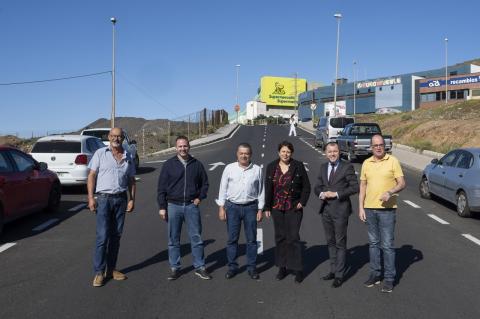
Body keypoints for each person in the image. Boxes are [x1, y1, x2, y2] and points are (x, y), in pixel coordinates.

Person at [157, 135, 211, 281]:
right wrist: (162, 207)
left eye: (185, 146)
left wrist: (200, 197)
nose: (183, 148)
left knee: (196, 238)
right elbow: (161, 187)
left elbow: (205, 184)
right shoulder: (169, 164)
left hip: (191, 206)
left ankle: (200, 267)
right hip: (173, 206)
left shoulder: (197, 164)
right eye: (180, 146)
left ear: (189, 147)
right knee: (173, 239)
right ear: (176, 148)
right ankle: (175, 268)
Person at [87, 127, 136, 287]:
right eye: (113, 136)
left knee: (116, 236)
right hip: (103, 199)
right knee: (102, 237)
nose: (116, 139)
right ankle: (99, 272)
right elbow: (92, 175)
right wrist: (90, 198)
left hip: (121, 199)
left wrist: (131, 199)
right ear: (109, 137)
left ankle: (111, 269)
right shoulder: (100, 154)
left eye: (119, 136)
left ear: (123, 138)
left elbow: (131, 179)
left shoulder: (128, 156)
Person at [359, 134, 406, 293]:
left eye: (381, 144)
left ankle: (389, 278)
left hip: (387, 210)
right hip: (370, 209)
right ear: (371, 147)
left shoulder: (393, 161)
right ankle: (375, 274)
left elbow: (402, 183)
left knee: (387, 245)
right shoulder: (366, 163)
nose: (378, 147)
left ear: (385, 145)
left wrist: (390, 192)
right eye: (375, 145)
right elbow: (363, 187)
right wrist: (361, 207)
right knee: (373, 244)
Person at [264, 141, 311, 283]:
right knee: (280, 237)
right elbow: (268, 188)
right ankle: (282, 267)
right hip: (277, 207)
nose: (285, 154)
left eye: (288, 152)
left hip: (293, 207)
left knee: (293, 238)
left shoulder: (298, 166)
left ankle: (297, 269)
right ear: (279, 152)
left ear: (292, 153)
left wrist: (302, 202)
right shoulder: (271, 166)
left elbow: (306, 187)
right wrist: (266, 207)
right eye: (283, 151)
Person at [314, 142, 359, 288]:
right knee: (330, 241)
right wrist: (321, 193)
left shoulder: (347, 167)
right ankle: (333, 270)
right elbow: (317, 186)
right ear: (326, 153)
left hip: (340, 210)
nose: (332, 154)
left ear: (339, 152)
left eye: (335, 151)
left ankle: (339, 275)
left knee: (340, 243)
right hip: (326, 209)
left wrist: (337, 194)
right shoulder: (323, 167)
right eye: (330, 151)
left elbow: (355, 187)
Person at [216, 143, 264, 280]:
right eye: (241, 153)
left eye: (247, 153)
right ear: (237, 154)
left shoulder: (257, 170)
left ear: (250, 155)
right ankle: (232, 267)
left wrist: (260, 209)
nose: (244, 156)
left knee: (251, 240)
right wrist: (221, 207)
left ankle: (252, 267)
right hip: (232, 208)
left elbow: (261, 191)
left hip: (251, 208)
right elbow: (222, 189)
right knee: (232, 240)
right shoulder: (229, 168)